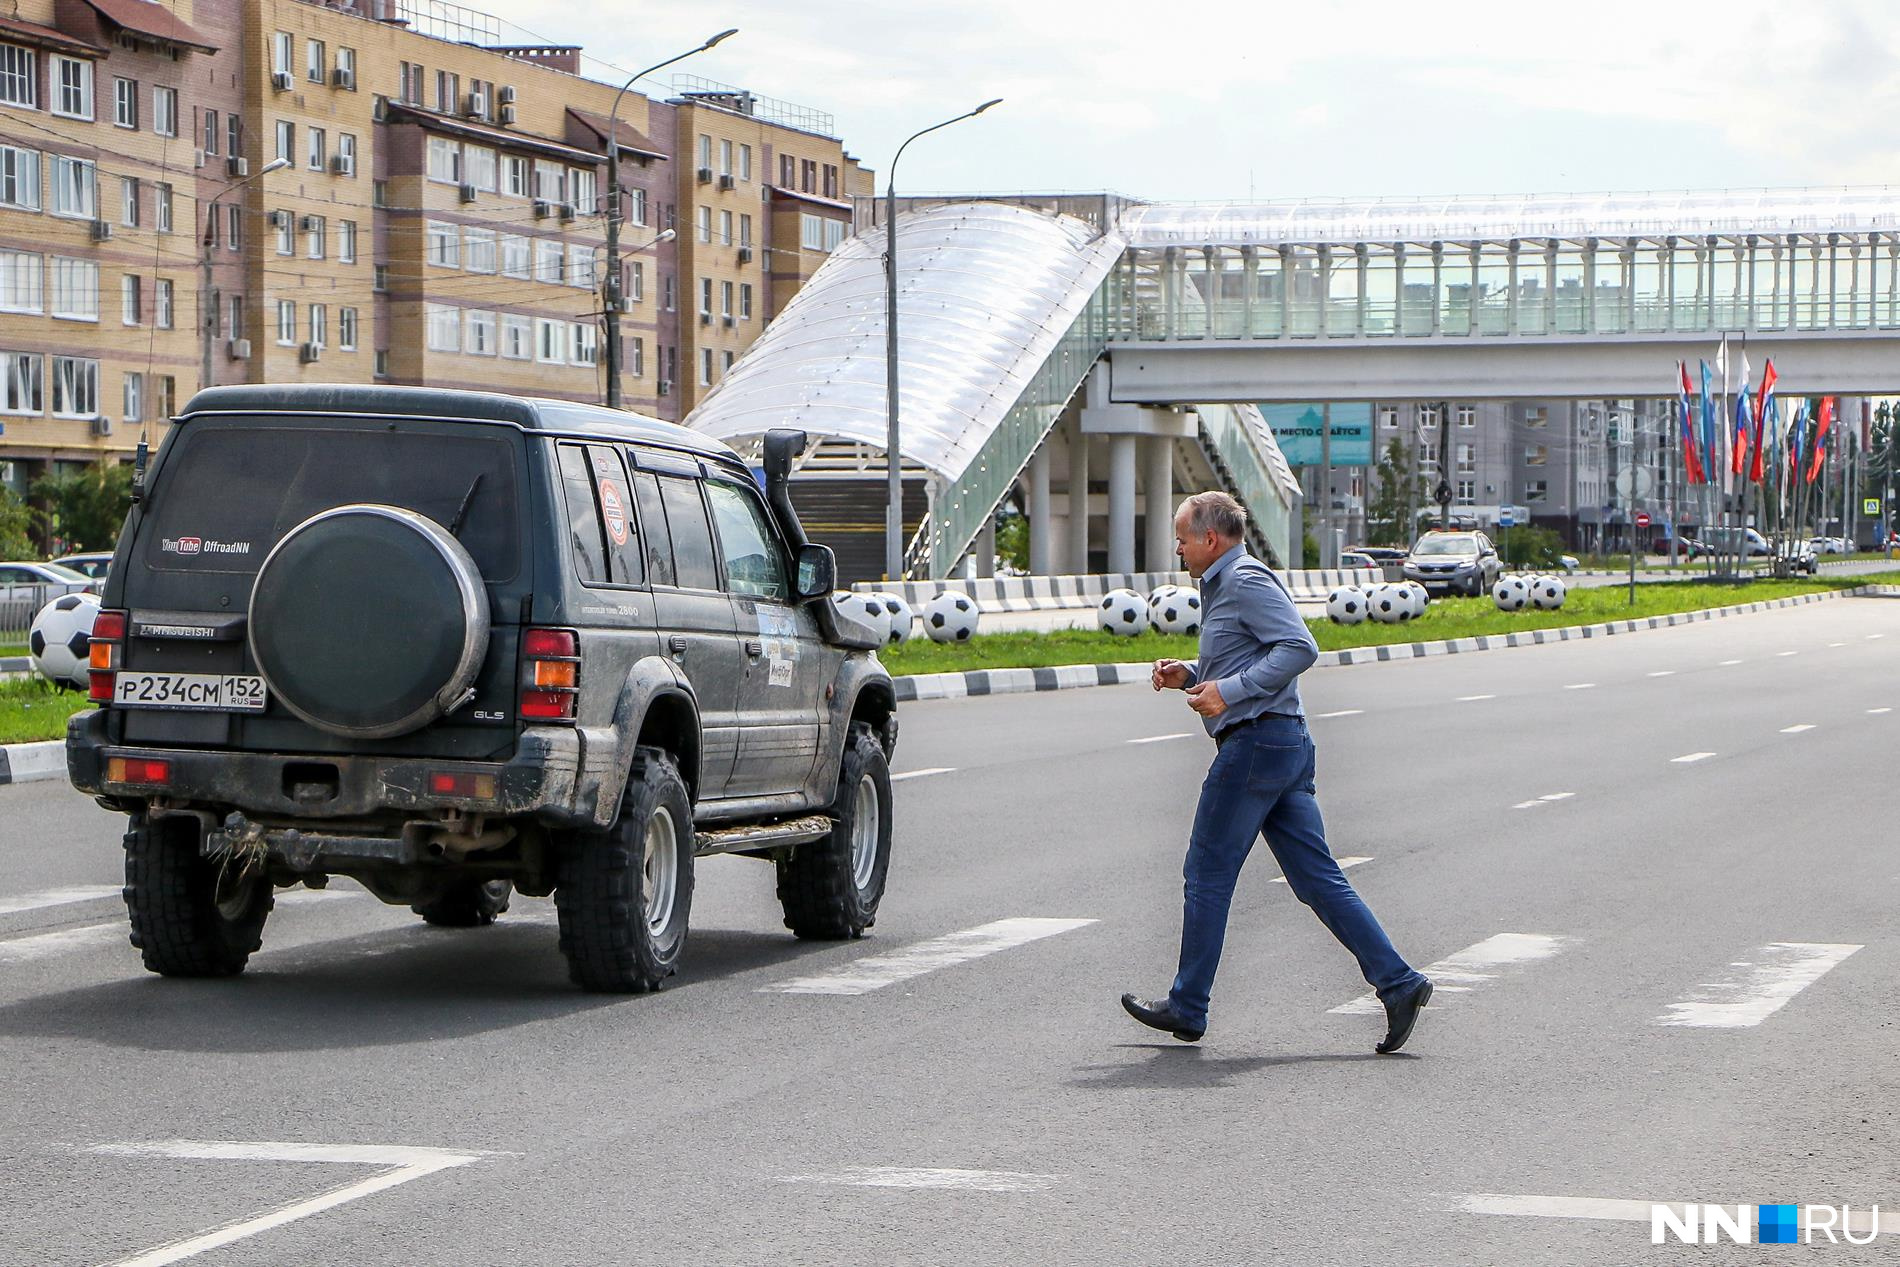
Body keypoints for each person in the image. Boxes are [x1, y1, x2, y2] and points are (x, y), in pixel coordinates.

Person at [1121, 492, 1433, 1052]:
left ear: (1210, 539)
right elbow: (1250, 654)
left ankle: (1189, 1006)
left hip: (1258, 743)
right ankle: (1399, 983)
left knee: (1207, 874)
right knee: (1316, 878)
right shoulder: (1225, 585)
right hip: (1278, 744)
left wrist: (1229, 692)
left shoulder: (1244, 581)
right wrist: (1193, 674)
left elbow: (1298, 647)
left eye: (1183, 537)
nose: (1178, 547)